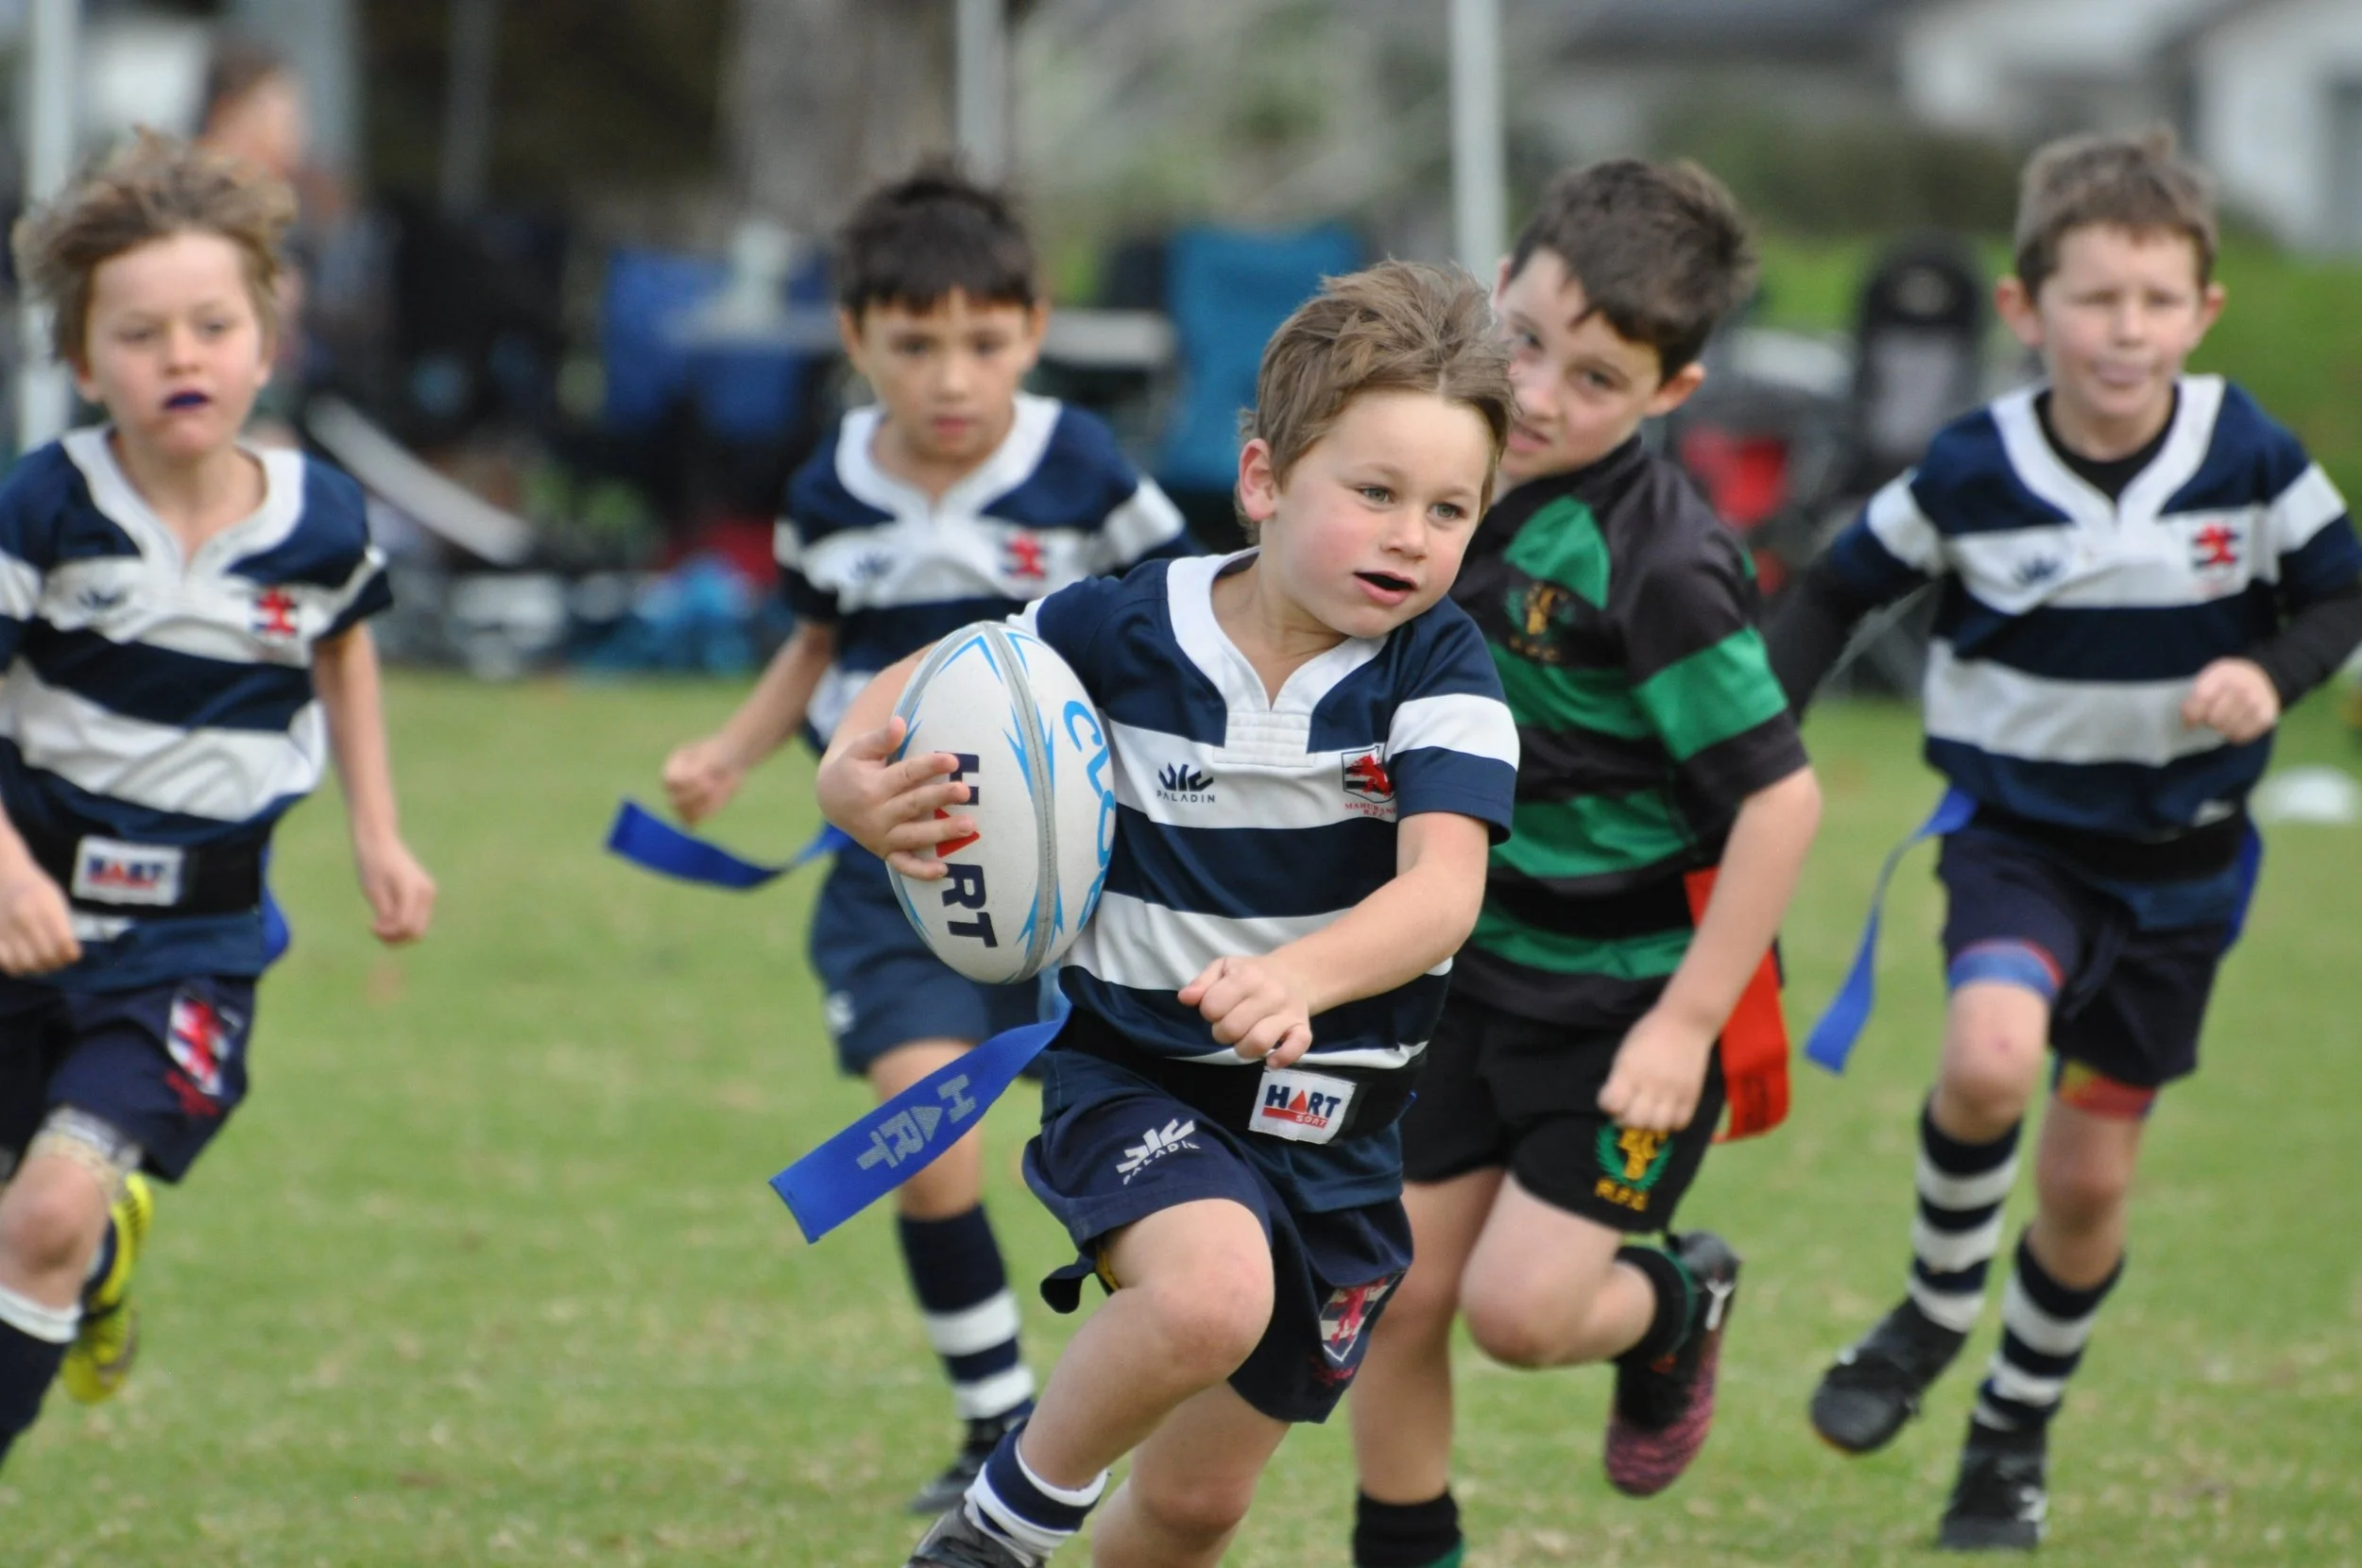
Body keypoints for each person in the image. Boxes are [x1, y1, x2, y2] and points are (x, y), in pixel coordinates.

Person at [819, 261, 1520, 1567]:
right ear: (1263, 482)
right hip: (1139, 1081)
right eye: (1373, 493)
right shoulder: (1125, 626)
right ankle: (996, 1530)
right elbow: (952, 669)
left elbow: (1444, 892)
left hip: (1336, 1141)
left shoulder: (1440, 668)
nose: (1410, 536)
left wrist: (1306, 974)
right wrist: (846, 773)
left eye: (1449, 509)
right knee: (1208, 1296)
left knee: (1198, 1507)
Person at [1769, 128, 2362, 1552]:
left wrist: (2269, 678)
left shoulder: (2248, 454)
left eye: (2158, 301)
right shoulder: (1974, 466)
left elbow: (2340, 597)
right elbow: (1825, 596)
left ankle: (2008, 1442)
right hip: (2019, 845)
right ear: (2028, 312)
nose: (2128, 330)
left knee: (2088, 1185)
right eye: (2095, 300)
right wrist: (1745, 743)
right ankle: (1930, 1310)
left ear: (2202, 311)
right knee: (1983, 1063)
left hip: (2184, 877)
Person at [659, 162, 1190, 1512]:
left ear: (1035, 326)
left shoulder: (1081, 468)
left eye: (985, 342)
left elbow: (1178, 619)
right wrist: (730, 750)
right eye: (914, 345)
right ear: (855, 339)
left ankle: (1161, 1373)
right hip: (890, 871)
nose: (952, 378)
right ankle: (993, 1415)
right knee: (924, 1133)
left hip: (1085, 875)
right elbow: (818, 645)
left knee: (1130, 1144)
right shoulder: (829, 487)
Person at [1344, 161, 1822, 1568]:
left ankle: (1677, 1307)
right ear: (1499, 288)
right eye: (1530, 340)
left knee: (1522, 1313)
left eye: (1598, 378)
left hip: (1633, 1003)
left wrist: (1685, 1026)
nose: (1543, 392)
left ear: (1670, 395)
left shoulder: (1659, 561)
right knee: (1387, 1290)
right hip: (1462, 965)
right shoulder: (1435, 473)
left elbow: (1779, 808)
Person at [0, 130, 436, 1469]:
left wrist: (377, 830)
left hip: (193, 949)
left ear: (265, 341)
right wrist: (8, 869)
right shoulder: (46, 510)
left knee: (47, 1216)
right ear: (83, 364)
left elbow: (343, 648)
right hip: (28, 918)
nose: (179, 356)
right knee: (30, 1212)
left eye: (211, 325)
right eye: (138, 334)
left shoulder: (322, 522)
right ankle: (90, 1248)